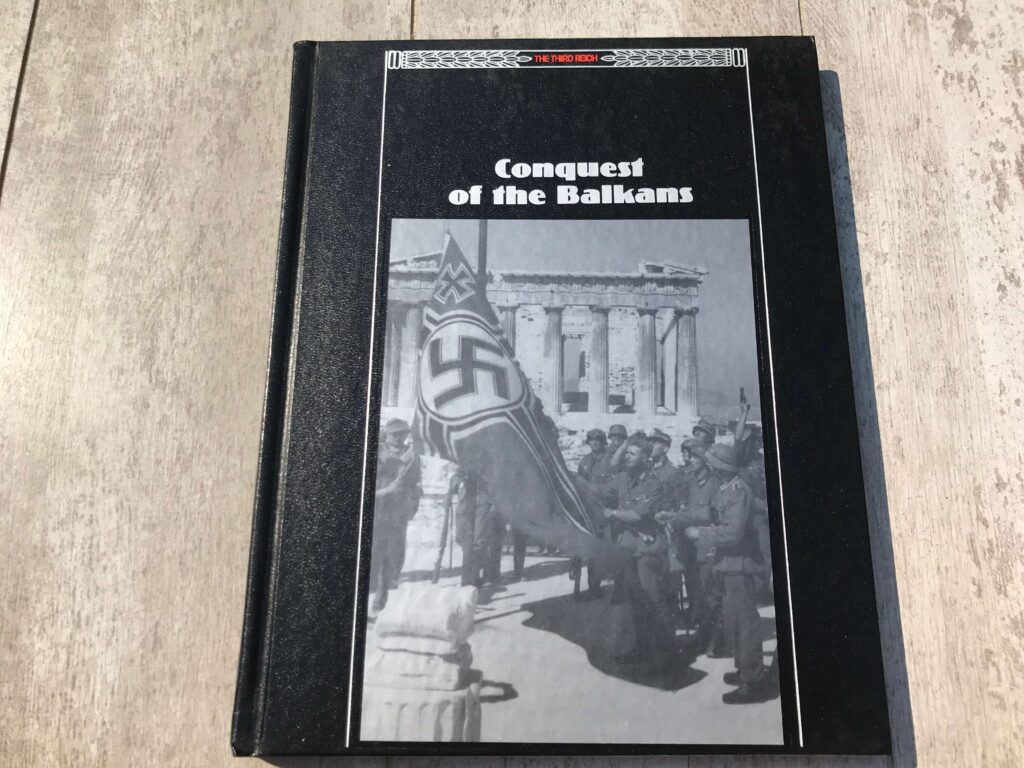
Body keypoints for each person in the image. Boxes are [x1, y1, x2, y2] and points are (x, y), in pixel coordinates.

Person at [684, 444, 770, 703]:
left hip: (741, 567)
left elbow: (733, 533)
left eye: (712, 463)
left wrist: (701, 533)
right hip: (730, 566)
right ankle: (744, 669)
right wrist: (680, 517)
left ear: (720, 467)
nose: (709, 467)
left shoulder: (737, 490)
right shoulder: (726, 488)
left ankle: (752, 682)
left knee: (745, 624)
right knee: (734, 622)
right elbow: (711, 513)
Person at [595, 438, 675, 669]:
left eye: (633, 453)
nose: (627, 456)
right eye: (626, 452)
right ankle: (643, 649)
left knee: (654, 601)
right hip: (629, 548)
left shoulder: (654, 483)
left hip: (648, 550)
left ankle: (668, 656)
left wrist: (612, 513)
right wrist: (572, 481)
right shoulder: (623, 479)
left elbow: (638, 515)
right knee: (636, 601)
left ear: (646, 458)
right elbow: (599, 490)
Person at [370, 418, 422, 614]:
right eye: (395, 434)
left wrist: (414, 503)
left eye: (402, 434)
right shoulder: (378, 453)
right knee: (376, 549)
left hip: (399, 509)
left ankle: (386, 593)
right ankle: (373, 590)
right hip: (379, 507)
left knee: (395, 551)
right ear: (388, 435)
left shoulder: (412, 455)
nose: (399, 438)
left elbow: (416, 481)